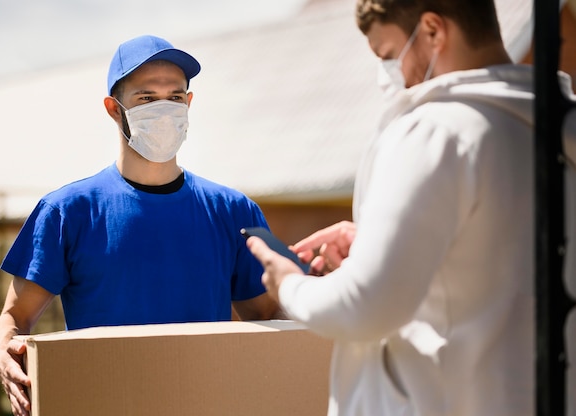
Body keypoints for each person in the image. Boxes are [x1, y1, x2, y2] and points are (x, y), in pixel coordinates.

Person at [246, 0, 576, 415]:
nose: (389, 75)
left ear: (434, 31)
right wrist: (376, 243)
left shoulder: (437, 131)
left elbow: (365, 307)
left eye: (387, 56)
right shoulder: (550, 127)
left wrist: (291, 285)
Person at [0, 34, 281, 416]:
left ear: (189, 103)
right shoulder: (67, 212)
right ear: (114, 109)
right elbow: (15, 318)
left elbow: (267, 319)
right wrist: (2, 355)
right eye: (146, 98)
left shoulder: (233, 211)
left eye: (175, 97)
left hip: (207, 405)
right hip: (104, 403)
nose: (164, 109)